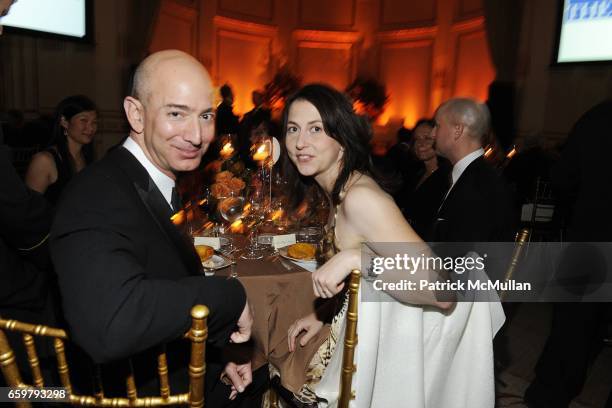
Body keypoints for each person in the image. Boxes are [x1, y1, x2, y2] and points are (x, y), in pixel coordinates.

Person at [50, 50, 264, 405]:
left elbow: (164, 281)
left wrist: (216, 350)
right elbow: (112, 324)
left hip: (175, 366)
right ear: (136, 113)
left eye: (206, 115)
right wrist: (230, 296)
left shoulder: (147, 179)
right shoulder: (95, 193)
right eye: (176, 113)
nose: (197, 135)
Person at [273, 84, 504, 407]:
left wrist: (358, 258)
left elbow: (441, 291)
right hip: (361, 332)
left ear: (342, 140)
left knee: (267, 362)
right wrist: (324, 314)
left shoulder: (361, 199)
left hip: (382, 356)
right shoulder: (334, 188)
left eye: (316, 129)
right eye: (293, 129)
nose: (300, 143)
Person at [524, 99, 612, 408]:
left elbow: (563, 177)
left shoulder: (598, 117)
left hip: (590, 238)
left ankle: (549, 393)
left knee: (573, 325)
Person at [429, 98, 516, 243]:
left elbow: (459, 256)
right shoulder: (469, 175)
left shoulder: (479, 186)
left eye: (437, 126)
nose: (432, 134)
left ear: (458, 130)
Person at [25, 95, 98, 204]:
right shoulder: (44, 161)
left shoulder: (87, 157)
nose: (91, 128)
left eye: (94, 122)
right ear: (64, 122)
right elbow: (29, 208)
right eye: (83, 120)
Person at [394, 118, 451, 236]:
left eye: (427, 138)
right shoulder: (415, 173)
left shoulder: (448, 178)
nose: (420, 144)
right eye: (416, 139)